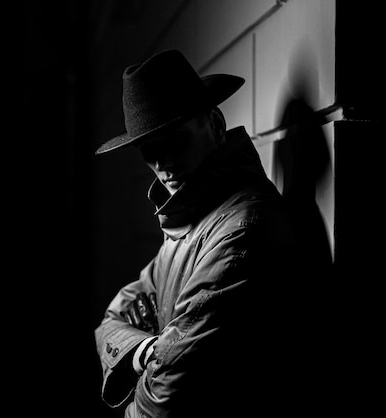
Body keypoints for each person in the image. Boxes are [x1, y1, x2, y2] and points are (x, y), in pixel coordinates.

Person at [93, 49, 309, 416]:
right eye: (149, 150)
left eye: (175, 140)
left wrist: (146, 378)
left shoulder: (240, 232)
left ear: (216, 124)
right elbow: (114, 317)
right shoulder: (190, 216)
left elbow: (163, 402)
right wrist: (144, 352)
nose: (161, 164)